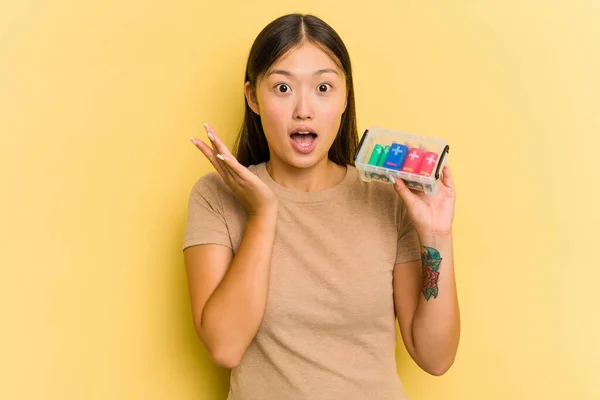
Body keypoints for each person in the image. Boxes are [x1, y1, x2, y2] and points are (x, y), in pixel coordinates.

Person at [183, 13, 460, 400]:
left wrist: (436, 236)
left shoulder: (387, 200)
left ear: (345, 96)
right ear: (252, 97)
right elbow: (225, 346)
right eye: (282, 87)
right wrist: (263, 215)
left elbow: (435, 357)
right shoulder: (218, 195)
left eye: (324, 87)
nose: (304, 109)